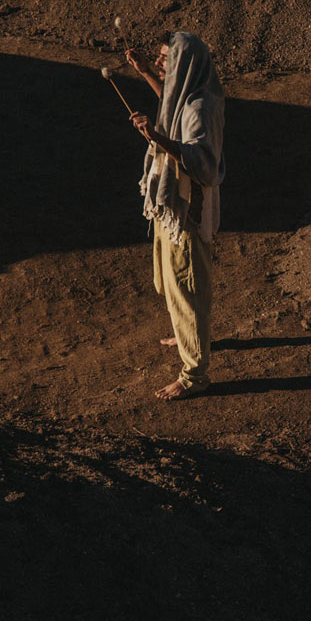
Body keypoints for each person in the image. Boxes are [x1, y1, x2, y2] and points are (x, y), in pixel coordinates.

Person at [126, 32, 226, 399]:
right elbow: (172, 105)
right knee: (170, 280)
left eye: (165, 59)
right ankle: (190, 334)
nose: (159, 63)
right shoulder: (192, 93)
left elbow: (201, 163)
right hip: (172, 203)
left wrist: (156, 137)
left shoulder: (199, 107)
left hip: (186, 209)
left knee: (186, 285)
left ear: (185, 65)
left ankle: (194, 374)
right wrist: (145, 73)